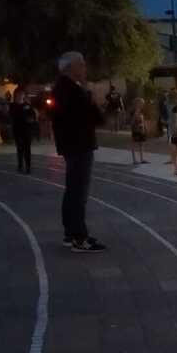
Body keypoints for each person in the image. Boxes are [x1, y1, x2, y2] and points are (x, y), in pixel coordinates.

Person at [52, 51, 106, 253]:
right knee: (78, 192)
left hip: (71, 145)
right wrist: (89, 96)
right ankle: (79, 237)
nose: (85, 68)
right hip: (79, 145)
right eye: (81, 64)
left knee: (72, 189)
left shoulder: (60, 88)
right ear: (70, 67)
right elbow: (95, 117)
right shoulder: (73, 91)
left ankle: (70, 233)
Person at [9, 87, 37, 174]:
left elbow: (33, 116)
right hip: (17, 130)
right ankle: (20, 165)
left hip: (26, 130)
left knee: (27, 149)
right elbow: (11, 116)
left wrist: (31, 119)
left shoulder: (27, 105)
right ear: (15, 95)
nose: (20, 96)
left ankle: (28, 167)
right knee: (20, 148)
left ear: (23, 95)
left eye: (21, 94)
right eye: (18, 94)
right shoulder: (12, 106)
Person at [130, 97, 149, 165]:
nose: (143, 104)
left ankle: (142, 159)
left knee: (141, 144)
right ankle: (134, 160)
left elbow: (143, 120)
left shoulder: (141, 110)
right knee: (134, 144)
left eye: (143, 103)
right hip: (135, 130)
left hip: (141, 130)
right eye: (141, 103)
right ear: (137, 103)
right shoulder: (133, 111)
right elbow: (131, 122)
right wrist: (135, 116)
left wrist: (145, 127)